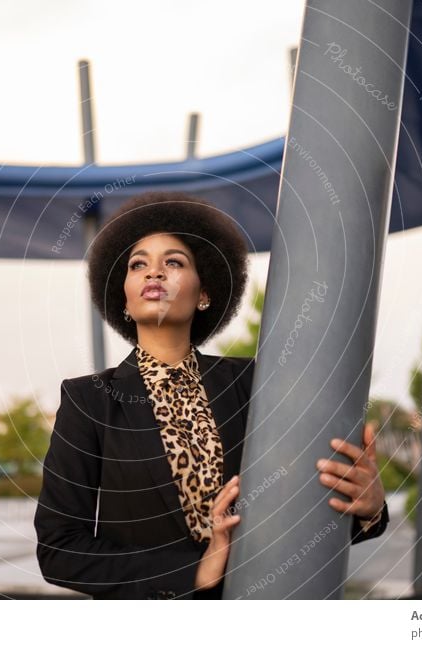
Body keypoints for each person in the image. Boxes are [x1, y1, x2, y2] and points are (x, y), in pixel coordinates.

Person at [34, 191, 389, 599]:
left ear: (205, 293)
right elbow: (59, 550)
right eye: (138, 264)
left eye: (174, 262)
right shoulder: (88, 401)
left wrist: (368, 508)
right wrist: (197, 570)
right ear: (125, 300)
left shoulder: (254, 382)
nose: (154, 273)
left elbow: (298, 525)